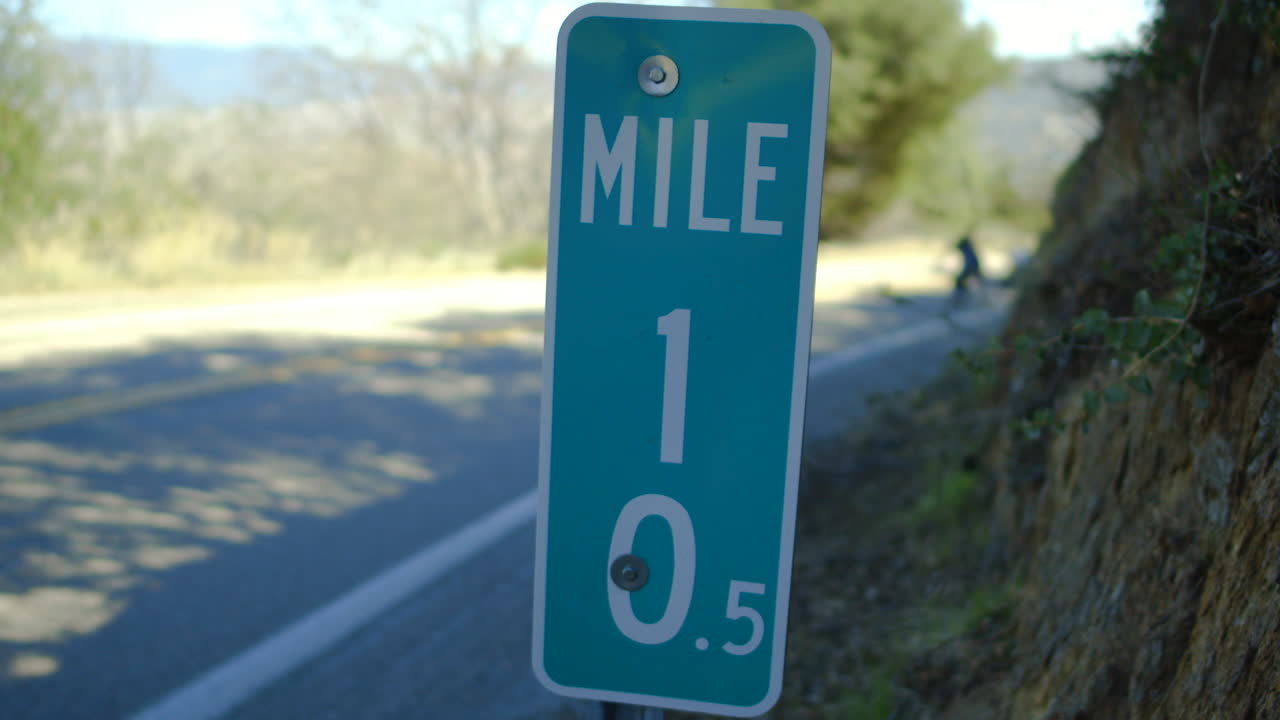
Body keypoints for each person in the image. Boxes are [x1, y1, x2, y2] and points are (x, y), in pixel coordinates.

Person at [951, 234, 985, 304]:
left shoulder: (967, 250)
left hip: (971, 270)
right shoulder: (969, 250)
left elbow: (971, 263)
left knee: (962, 283)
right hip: (971, 269)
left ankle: (960, 299)